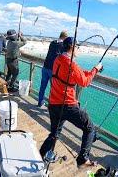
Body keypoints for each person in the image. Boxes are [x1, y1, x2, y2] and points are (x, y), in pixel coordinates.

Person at [39, 37, 103, 167]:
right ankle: (83, 158)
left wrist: (88, 71)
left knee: (55, 133)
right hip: (67, 105)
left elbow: (76, 73)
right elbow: (84, 82)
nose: (79, 49)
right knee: (89, 128)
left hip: (53, 103)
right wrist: (96, 69)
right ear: (72, 48)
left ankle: (41, 153)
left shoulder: (58, 59)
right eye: (78, 47)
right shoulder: (71, 65)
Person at [38, 31, 68, 107]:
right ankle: (51, 105)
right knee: (54, 89)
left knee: (43, 86)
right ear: (65, 37)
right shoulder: (63, 46)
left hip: (45, 67)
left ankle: (40, 102)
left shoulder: (52, 42)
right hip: (53, 70)